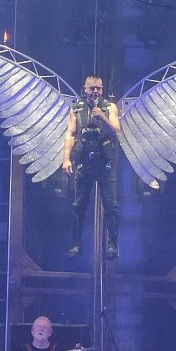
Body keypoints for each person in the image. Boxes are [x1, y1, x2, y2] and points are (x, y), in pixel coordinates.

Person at [62, 75, 122, 259]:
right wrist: (66, 159)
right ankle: (75, 244)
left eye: (99, 88)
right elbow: (70, 134)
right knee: (78, 205)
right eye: (92, 88)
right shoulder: (76, 109)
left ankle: (112, 244)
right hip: (84, 161)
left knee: (110, 205)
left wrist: (102, 117)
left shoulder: (109, 107)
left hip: (104, 162)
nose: (96, 91)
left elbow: (116, 132)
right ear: (85, 89)